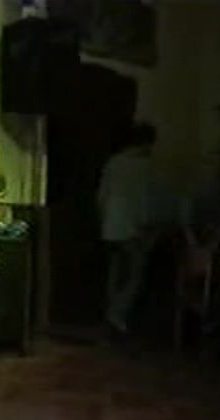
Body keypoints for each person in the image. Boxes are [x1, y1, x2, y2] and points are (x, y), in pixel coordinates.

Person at [97, 122, 160, 338]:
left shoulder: (114, 162)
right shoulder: (146, 167)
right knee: (134, 274)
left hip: (111, 227)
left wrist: (104, 220)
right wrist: (148, 228)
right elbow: (146, 202)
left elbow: (102, 196)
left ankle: (111, 312)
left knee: (115, 273)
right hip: (133, 229)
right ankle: (117, 314)